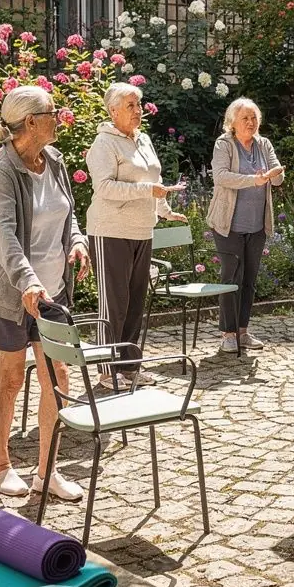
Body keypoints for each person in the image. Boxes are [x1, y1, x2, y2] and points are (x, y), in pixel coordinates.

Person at [0, 86, 91, 500]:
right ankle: (0, 466)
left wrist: (76, 240)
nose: (59, 116)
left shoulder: (55, 160)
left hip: (52, 292)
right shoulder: (1, 171)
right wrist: (27, 281)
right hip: (9, 291)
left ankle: (46, 471)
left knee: (57, 377)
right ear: (30, 123)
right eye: (52, 111)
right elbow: (3, 234)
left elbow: (68, 214)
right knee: (8, 379)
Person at [86, 83, 186, 389]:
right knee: (113, 304)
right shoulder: (103, 145)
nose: (137, 110)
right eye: (130, 105)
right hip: (110, 231)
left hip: (143, 230)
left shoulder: (142, 139)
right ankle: (106, 371)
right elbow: (103, 188)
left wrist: (165, 210)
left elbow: (153, 179)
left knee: (134, 303)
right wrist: (147, 191)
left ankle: (129, 368)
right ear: (113, 111)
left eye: (139, 104)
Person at [206, 98, 284, 353]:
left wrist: (277, 174)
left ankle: (243, 331)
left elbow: (277, 177)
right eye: (245, 118)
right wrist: (255, 180)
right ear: (233, 122)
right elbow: (221, 177)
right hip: (229, 224)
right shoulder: (224, 144)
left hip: (257, 224)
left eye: (254, 118)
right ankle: (228, 334)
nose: (251, 123)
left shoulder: (264, 144)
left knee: (249, 279)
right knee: (231, 278)